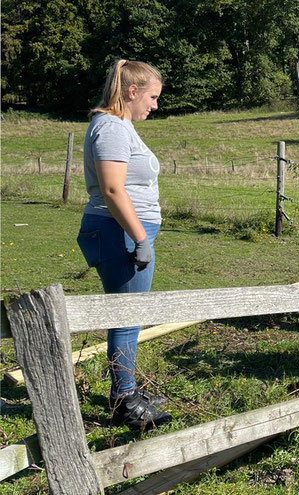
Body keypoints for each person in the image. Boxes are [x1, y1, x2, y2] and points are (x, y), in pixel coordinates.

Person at [77, 59, 171, 430]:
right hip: (120, 231)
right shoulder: (111, 128)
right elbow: (113, 189)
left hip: (126, 230)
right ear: (131, 92)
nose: (155, 105)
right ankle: (125, 403)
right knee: (126, 316)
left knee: (129, 314)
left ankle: (127, 392)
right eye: (152, 96)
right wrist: (141, 236)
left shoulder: (120, 126)